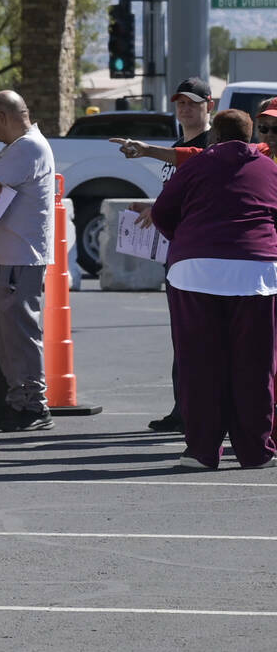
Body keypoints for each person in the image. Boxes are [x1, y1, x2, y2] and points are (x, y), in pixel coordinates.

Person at [150, 109, 277, 469]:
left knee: (200, 364)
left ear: (214, 137)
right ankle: (256, 451)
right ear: (252, 137)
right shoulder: (269, 168)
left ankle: (202, 452)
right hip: (257, 276)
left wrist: (188, 241)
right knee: (254, 366)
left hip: (195, 273)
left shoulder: (196, 165)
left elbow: (162, 212)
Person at [110, 76, 215, 434]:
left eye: (192, 103)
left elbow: (201, 185)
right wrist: (156, 208)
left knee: (201, 336)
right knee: (182, 335)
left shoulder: (210, 145)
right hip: (178, 251)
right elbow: (180, 194)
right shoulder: (178, 142)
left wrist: (145, 150)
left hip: (200, 255)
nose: (185, 109)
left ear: (209, 106)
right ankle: (182, 407)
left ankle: (199, 411)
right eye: (180, 103)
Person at [0, 90, 55, 432]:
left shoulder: (26, 148)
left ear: (5, 117)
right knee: (8, 334)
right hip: (10, 255)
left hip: (19, 257)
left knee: (19, 333)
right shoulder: (21, 149)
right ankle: (18, 402)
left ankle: (33, 404)